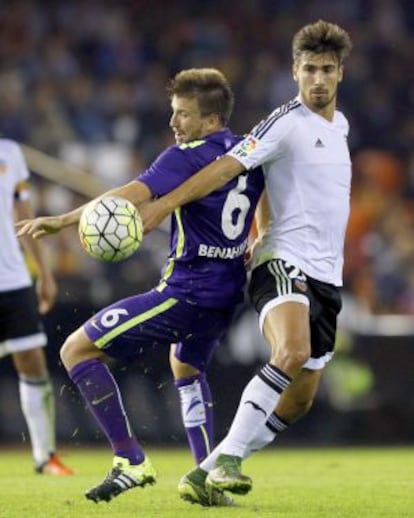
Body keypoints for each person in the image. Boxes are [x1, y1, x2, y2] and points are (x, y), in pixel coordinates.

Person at [16, 68, 265, 505]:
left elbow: (128, 194)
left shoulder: (184, 156)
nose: (174, 124)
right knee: (186, 368)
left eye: (183, 115)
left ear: (210, 122)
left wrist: (63, 220)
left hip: (187, 291)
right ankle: (205, 477)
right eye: (174, 113)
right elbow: (266, 197)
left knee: (76, 350)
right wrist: (259, 239)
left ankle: (129, 460)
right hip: (228, 294)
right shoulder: (249, 152)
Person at [140, 19, 353, 503]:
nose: (317, 79)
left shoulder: (340, 126)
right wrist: (164, 204)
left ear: (341, 73)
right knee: (292, 351)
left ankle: (208, 469)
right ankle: (230, 461)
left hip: (328, 275)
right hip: (283, 260)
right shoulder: (284, 122)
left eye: (327, 69)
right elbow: (226, 168)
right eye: (309, 69)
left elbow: (284, 184)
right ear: (294, 72)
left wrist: (261, 218)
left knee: (299, 401)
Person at [0, 138, 74, 476]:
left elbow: (24, 216)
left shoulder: (10, 153)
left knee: (32, 362)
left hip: (14, 278)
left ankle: (45, 456)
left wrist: (43, 272)